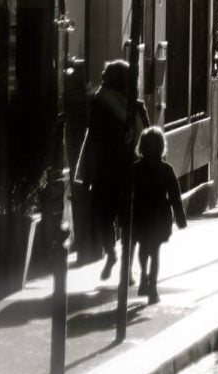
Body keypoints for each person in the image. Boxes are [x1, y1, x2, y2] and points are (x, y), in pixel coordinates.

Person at [74, 59, 149, 282]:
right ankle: (125, 266)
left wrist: (87, 173)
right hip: (129, 170)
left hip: (105, 171)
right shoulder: (135, 106)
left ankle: (112, 254)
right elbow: (148, 137)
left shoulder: (99, 103)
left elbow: (93, 139)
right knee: (129, 220)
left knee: (104, 217)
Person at [131, 127, 187, 304]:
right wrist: (180, 219)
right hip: (159, 215)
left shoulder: (136, 169)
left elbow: (126, 193)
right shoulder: (166, 169)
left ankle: (143, 279)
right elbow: (175, 196)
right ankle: (152, 288)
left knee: (142, 247)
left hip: (140, 214)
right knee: (154, 251)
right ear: (161, 146)